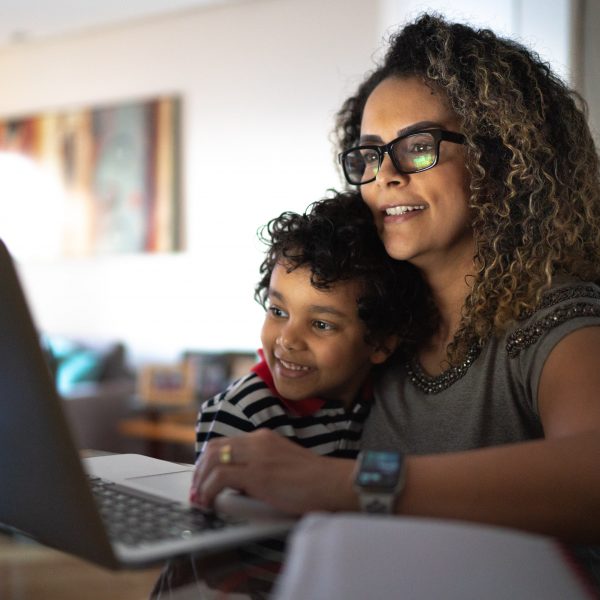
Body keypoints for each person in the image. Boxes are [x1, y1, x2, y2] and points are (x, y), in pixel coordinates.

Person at [190, 13, 600, 586]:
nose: (384, 174)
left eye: (419, 147)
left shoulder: (560, 323)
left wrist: (345, 485)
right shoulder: (381, 324)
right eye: (368, 154)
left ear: (501, 159)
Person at [192, 190, 430, 474]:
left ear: (380, 344)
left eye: (321, 324)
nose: (287, 340)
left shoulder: (384, 398)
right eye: (278, 311)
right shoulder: (244, 414)